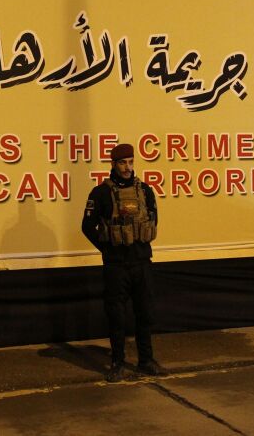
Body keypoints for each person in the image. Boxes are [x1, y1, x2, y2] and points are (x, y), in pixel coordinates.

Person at [82, 143, 166, 382]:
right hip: (116, 266)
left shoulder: (146, 191)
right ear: (114, 164)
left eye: (130, 162)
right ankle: (117, 362)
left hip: (141, 263)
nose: (128, 167)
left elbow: (152, 220)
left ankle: (146, 360)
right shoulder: (100, 193)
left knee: (145, 314)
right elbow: (87, 227)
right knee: (116, 316)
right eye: (122, 162)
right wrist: (107, 249)